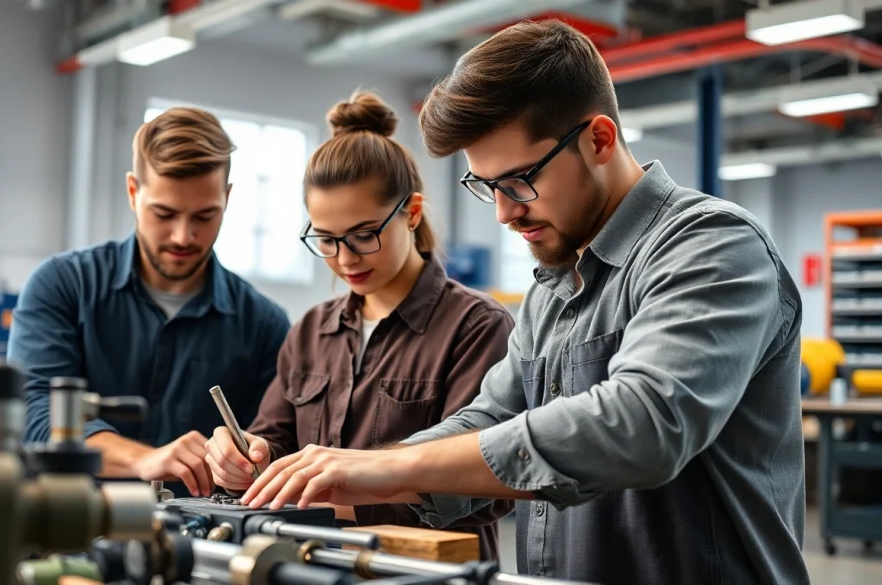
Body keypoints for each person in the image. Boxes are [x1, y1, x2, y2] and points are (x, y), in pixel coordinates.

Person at [237, 21, 809, 585]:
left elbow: (645, 421)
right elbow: (492, 417)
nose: (503, 213)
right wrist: (363, 474)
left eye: (518, 181)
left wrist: (393, 465)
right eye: (486, 187)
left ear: (599, 139)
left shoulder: (711, 244)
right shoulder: (552, 286)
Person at [204, 91, 515, 561]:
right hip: (313, 565)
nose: (345, 258)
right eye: (326, 240)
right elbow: (275, 439)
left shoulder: (476, 327)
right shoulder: (311, 331)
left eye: (364, 235)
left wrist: (333, 494)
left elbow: (486, 488)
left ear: (411, 213)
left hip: (425, 572)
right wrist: (245, 455)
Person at [10, 107, 291, 498]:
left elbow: (274, 439)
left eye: (205, 216)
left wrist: (250, 457)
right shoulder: (62, 286)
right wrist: (143, 460)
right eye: (164, 213)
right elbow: (34, 412)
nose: (182, 236)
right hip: (66, 519)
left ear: (227, 199)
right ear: (132, 192)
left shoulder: (265, 325)